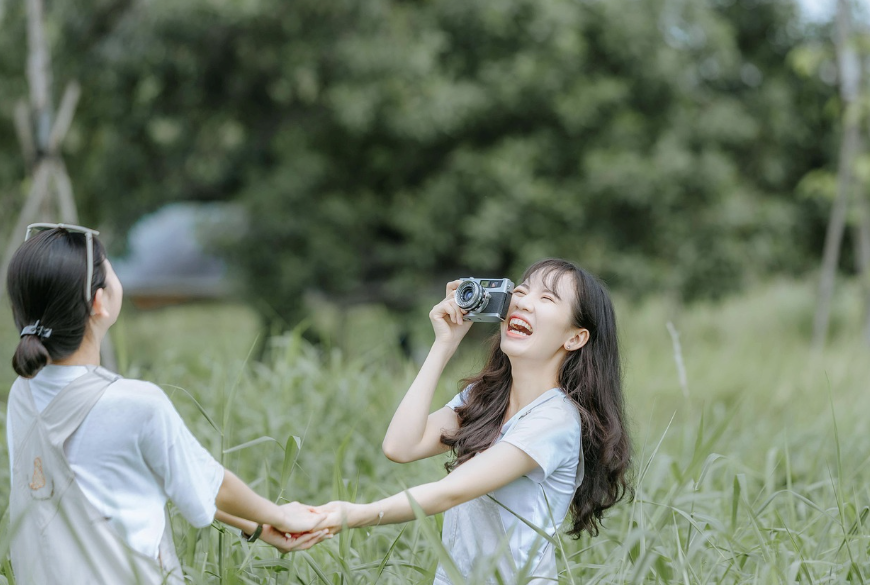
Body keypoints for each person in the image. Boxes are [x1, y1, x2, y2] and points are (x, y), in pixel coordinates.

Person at [4, 224, 330, 585]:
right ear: (99, 301)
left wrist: (258, 525)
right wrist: (284, 518)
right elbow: (214, 485)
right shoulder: (134, 404)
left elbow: (176, 480)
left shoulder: (24, 395)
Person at [317, 258, 632, 584]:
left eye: (546, 298)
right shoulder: (485, 398)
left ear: (575, 338)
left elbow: (449, 493)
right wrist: (444, 344)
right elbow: (401, 446)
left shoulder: (556, 420)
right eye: (521, 291)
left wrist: (351, 515)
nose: (522, 302)